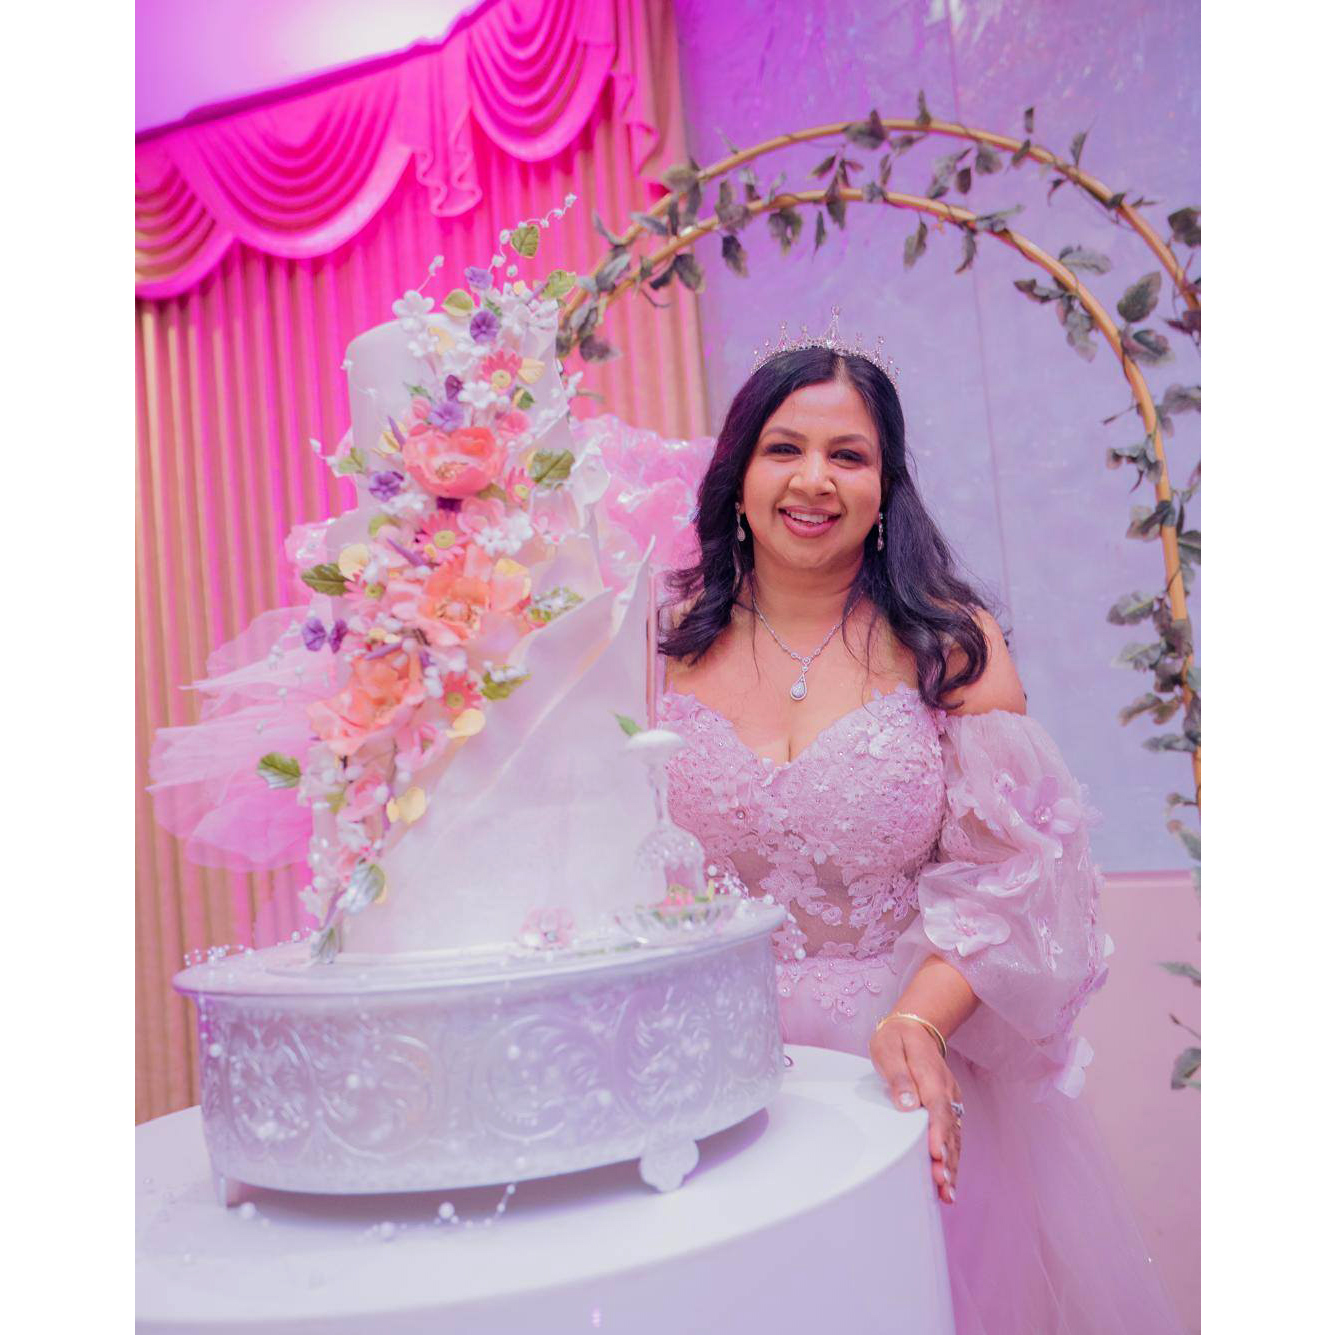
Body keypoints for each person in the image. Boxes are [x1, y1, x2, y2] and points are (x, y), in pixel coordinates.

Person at [657, 342, 1183, 1334]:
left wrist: (914, 1023)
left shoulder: (950, 648)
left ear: (885, 486)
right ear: (737, 477)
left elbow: (1017, 881)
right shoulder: (656, 645)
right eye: (785, 449)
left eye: (848, 456)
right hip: (703, 1078)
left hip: (894, 1068)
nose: (814, 480)